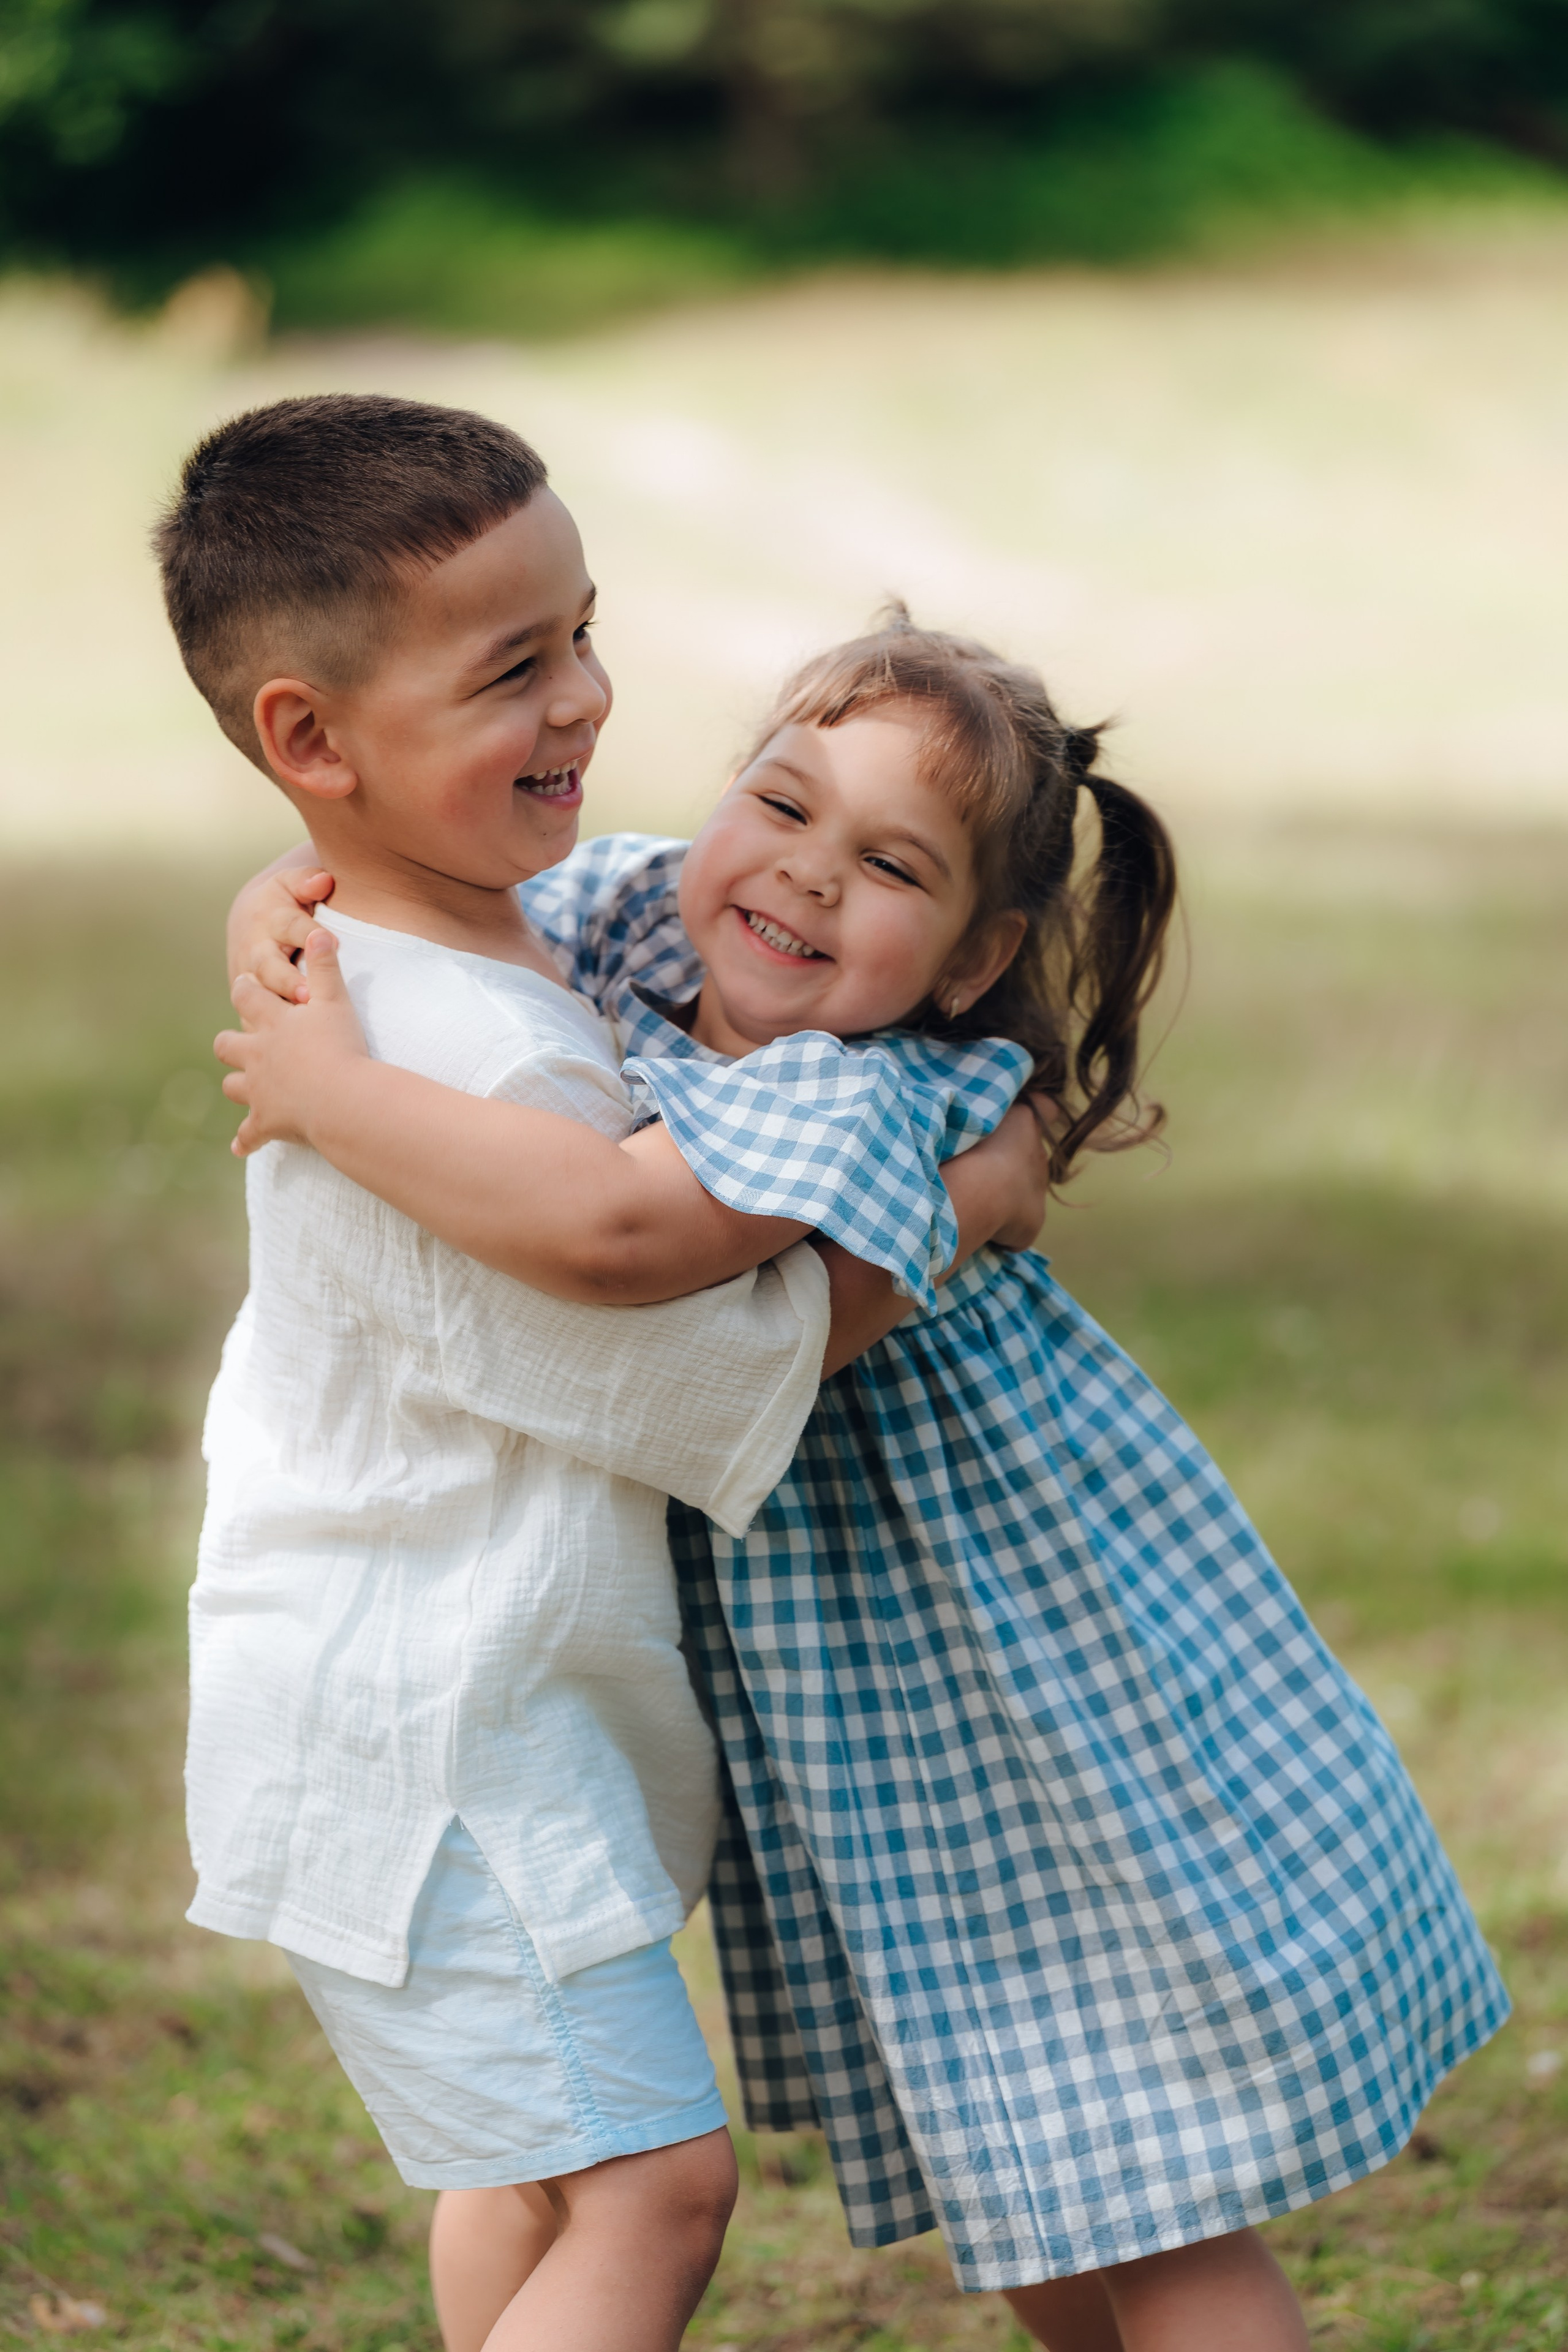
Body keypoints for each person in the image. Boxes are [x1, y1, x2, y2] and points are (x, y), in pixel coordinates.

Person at [222, 616, 1509, 2352]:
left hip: (998, 1677)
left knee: (1146, 2181)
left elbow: (618, 1230)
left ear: (974, 961)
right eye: (782, 804)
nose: (809, 879)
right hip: (859, 1692)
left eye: (890, 864)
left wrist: (330, 1091)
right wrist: (272, 914)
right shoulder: (638, 918)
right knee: (1028, 2175)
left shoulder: (849, 1092)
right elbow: (377, 858)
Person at [159, 398, 1049, 2352]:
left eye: (581, 634)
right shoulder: (459, 1068)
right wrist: (955, 1219)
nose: (584, 696)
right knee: (654, 2190)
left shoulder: (461, 952)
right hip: (440, 1721)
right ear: (311, 741)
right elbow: (662, 1346)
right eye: (512, 669)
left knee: (536, 2176)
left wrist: (266, 892)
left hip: (466, 1695)